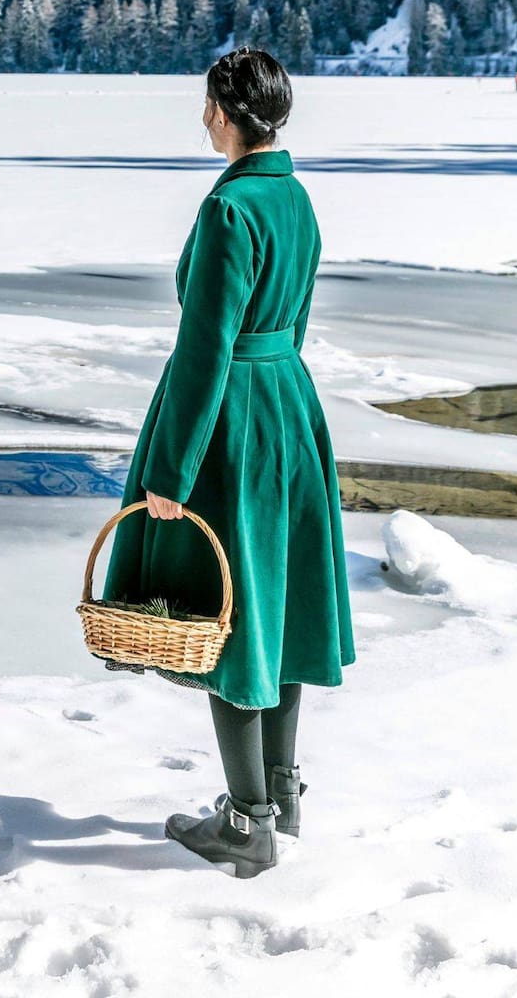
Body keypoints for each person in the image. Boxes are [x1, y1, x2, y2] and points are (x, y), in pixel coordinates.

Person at [101, 45, 355, 878]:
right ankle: (280, 793)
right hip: (290, 406)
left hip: (232, 424)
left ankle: (247, 825)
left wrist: (171, 474)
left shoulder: (230, 211)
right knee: (274, 606)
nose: (202, 118)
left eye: (208, 104)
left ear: (227, 111)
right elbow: (296, 314)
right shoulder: (298, 199)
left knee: (225, 613)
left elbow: (205, 348)